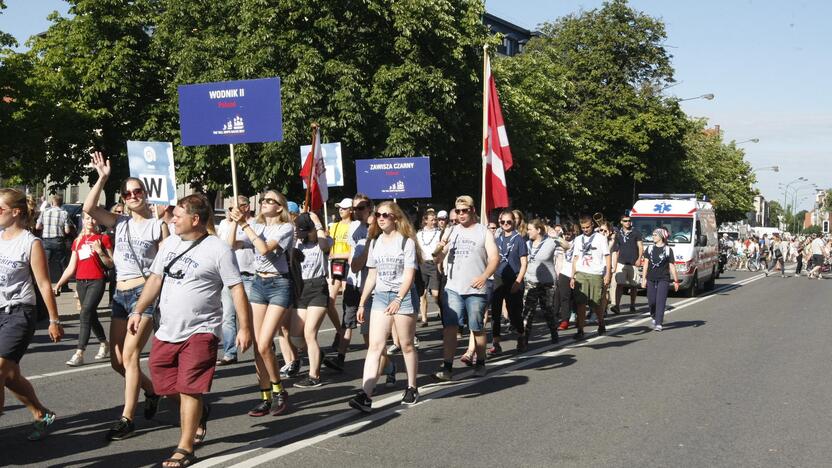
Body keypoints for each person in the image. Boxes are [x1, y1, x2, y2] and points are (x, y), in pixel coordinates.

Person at [129, 194, 253, 467]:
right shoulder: (170, 243)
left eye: (178, 215)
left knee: (189, 388)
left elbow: (236, 288)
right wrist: (138, 310)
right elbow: (155, 279)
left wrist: (245, 327)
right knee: (162, 383)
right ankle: (200, 410)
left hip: (202, 330)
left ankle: (185, 447)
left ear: (195, 219)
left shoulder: (219, 249)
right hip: (167, 329)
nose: (172, 219)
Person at [84, 152, 168, 440]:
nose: (133, 196)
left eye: (138, 191)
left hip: (144, 294)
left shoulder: (158, 224)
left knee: (131, 355)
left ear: (145, 194)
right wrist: (102, 177)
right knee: (117, 361)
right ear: (123, 197)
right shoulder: (118, 222)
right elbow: (89, 206)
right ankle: (153, 390)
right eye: (128, 193)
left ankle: (127, 417)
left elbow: (168, 260)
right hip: (119, 294)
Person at [0, 188, 65, 441]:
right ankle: (41, 413)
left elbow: (44, 284)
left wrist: (54, 320)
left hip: (20, 313)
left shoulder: (31, 242)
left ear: (15, 213)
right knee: (10, 376)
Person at [348, 201, 421, 412]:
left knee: (406, 344)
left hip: (403, 296)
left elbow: (409, 274)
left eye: (385, 215)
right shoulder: (376, 241)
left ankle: (411, 387)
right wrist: (362, 302)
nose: (380, 218)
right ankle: (365, 395)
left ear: (396, 218)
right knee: (375, 346)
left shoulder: (406, 242)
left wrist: (398, 298)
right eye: (378, 214)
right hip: (380, 296)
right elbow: (372, 274)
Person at [230, 190, 293, 417]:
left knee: (265, 342)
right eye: (263, 200)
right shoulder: (256, 226)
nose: (264, 203)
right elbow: (232, 245)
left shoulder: (285, 228)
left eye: (269, 201)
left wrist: (245, 225)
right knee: (258, 346)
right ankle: (265, 395)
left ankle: (278, 390)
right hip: (258, 284)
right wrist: (234, 223)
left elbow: (265, 249)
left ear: (279, 207)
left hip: (279, 285)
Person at [433, 196, 499, 380]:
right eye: (458, 211)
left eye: (465, 210)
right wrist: (439, 251)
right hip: (453, 287)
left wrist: (484, 276)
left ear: (472, 210)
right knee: (450, 328)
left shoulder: (483, 232)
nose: (461, 214)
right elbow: (438, 257)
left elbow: (494, 258)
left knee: (476, 327)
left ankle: (480, 363)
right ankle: (447, 368)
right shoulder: (451, 231)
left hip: (475, 289)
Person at [323, 194, 374, 372]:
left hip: (371, 285)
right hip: (353, 280)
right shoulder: (353, 227)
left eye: (360, 208)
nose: (355, 211)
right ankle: (340, 358)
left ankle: (383, 364)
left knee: (370, 330)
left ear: (369, 208)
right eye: (354, 208)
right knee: (347, 319)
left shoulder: (376, 228)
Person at [54, 212, 112, 366]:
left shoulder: (103, 238)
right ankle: (104, 343)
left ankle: (79, 353)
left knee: (85, 312)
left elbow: (111, 264)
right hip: (81, 282)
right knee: (90, 315)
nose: (90, 221)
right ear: (83, 220)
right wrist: (59, 283)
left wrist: (100, 251)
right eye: (87, 218)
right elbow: (71, 267)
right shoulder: (78, 241)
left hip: (97, 281)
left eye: (93, 218)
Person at [290, 212, 332, 388]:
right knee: (295, 336)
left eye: (304, 231)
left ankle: (314, 376)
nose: (301, 234)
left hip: (318, 288)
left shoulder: (324, 241)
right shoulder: (297, 242)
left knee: (310, 333)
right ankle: (317, 355)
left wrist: (316, 222)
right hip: (300, 288)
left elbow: (323, 244)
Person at [215, 196, 255, 366]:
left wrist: (241, 227)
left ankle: (263, 348)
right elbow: (226, 245)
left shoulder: (254, 223)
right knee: (228, 316)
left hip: (250, 274)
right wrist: (233, 223)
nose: (233, 211)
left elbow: (237, 243)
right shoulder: (225, 225)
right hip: (230, 276)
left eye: (238, 207)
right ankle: (230, 352)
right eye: (230, 208)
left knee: (252, 317)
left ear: (247, 207)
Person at [488, 210, 528, 354]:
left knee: (514, 313)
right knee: (496, 311)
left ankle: (521, 336)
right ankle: (496, 343)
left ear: (514, 222)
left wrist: (518, 281)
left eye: (508, 222)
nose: (505, 224)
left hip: (514, 278)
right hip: (499, 277)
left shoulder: (519, 239)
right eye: (502, 222)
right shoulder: (497, 239)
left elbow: (524, 263)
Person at [570, 214, 611, 340]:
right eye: (583, 228)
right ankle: (580, 329)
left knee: (595, 303)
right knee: (580, 303)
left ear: (592, 225)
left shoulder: (600, 238)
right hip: (581, 273)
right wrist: (573, 276)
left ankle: (601, 322)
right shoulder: (578, 239)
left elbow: (607, 256)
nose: (585, 230)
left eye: (587, 227)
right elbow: (575, 258)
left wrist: (608, 273)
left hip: (596, 273)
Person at [521, 219, 560, 344]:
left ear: (538, 230)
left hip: (546, 283)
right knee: (528, 312)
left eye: (530, 229)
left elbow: (567, 246)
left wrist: (557, 237)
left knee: (547, 310)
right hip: (530, 281)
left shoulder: (550, 242)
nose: (528, 232)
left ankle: (554, 333)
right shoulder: (527, 244)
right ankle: (523, 340)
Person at [640, 228, 679, 331]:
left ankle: (658, 323)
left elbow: (671, 266)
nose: (653, 237)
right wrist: (643, 279)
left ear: (661, 237)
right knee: (652, 301)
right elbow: (645, 265)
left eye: (655, 235)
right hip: (651, 278)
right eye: (653, 235)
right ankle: (654, 316)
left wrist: (676, 281)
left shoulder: (668, 250)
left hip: (663, 278)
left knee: (661, 301)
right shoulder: (649, 249)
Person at [36, 194, 72, 289]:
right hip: (59, 241)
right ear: (61, 203)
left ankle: (42, 284)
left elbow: (37, 227)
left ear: (52, 202)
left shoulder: (44, 212)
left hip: (46, 241)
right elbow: (67, 230)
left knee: (45, 263)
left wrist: (46, 227)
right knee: (63, 263)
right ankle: (64, 286)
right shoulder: (64, 213)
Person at [610, 214, 643, 314]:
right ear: (621, 222)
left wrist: (639, 259)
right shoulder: (618, 233)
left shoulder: (636, 232)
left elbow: (640, 246)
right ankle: (617, 306)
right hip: (621, 262)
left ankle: (632, 305)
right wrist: (614, 264)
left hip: (633, 262)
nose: (627, 222)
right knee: (620, 284)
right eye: (625, 221)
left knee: (633, 286)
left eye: (629, 220)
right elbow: (615, 249)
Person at [416, 211, 441, 327]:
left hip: (434, 264)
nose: (434, 221)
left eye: (435, 219)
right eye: (432, 219)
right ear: (425, 220)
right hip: (422, 264)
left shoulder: (439, 233)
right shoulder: (419, 234)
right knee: (423, 294)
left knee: (436, 294)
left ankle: (442, 310)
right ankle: (424, 319)